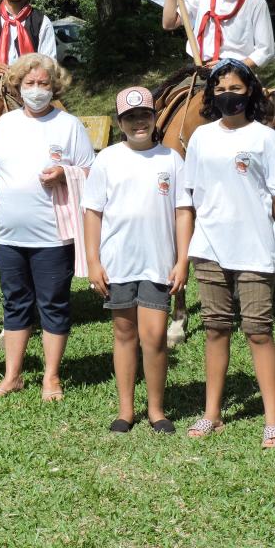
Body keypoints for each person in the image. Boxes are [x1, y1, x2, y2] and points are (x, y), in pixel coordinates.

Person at [0, 54, 94, 401]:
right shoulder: (5, 126)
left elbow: (93, 174)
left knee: (53, 303)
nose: (36, 90)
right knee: (14, 302)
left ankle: (51, 377)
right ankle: (12, 376)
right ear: (17, 86)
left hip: (53, 236)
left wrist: (66, 173)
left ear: (55, 86)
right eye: (29, 84)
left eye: (43, 84)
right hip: (6, 236)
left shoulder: (69, 126)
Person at [182, 58, 275, 448]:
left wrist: (256, 223)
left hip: (255, 249)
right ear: (211, 94)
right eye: (221, 89)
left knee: (259, 331)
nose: (229, 96)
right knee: (215, 328)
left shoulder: (266, 138)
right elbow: (190, 196)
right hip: (209, 247)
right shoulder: (201, 138)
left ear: (251, 93)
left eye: (236, 89)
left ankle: (273, 419)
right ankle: (212, 413)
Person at [83, 86, 192, 434]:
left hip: (158, 262)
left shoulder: (171, 160)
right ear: (120, 123)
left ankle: (157, 409)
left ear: (154, 117)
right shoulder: (107, 160)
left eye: (144, 115)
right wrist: (93, 260)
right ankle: (126, 410)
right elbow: (92, 213)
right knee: (124, 332)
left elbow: (183, 212)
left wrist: (183, 259)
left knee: (156, 336)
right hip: (118, 264)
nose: (138, 122)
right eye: (130, 117)